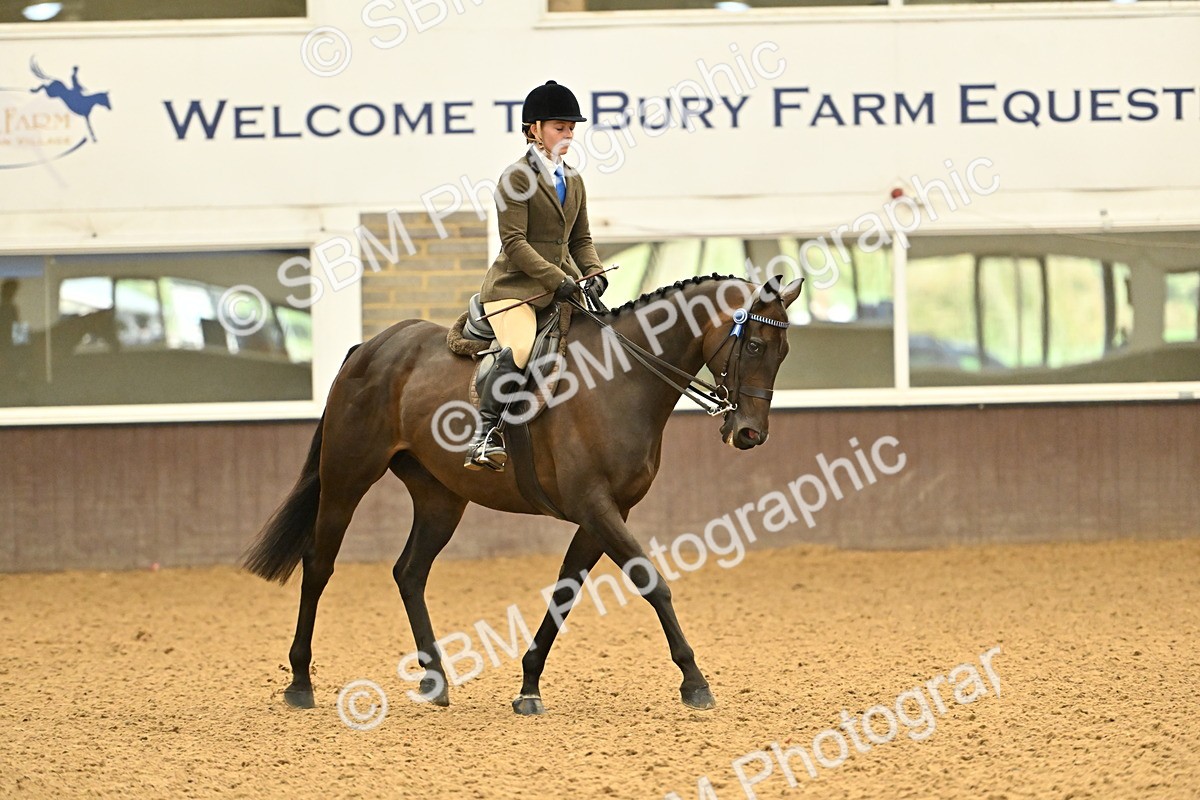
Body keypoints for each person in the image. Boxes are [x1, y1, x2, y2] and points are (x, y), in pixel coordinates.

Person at [464, 80, 609, 471]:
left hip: (562, 288)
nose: (568, 135)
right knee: (521, 348)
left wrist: (593, 271)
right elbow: (514, 243)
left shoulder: (573, 180)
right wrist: (555, 279)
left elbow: (581, 239)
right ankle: (484, 436)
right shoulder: (515, 178)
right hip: (515, 289)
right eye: (559, 127)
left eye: (571, 129)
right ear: (534, 128)